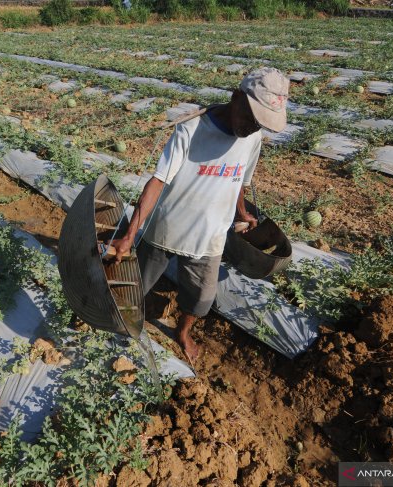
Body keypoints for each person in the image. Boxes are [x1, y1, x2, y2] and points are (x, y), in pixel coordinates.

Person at [109, 67, 290, 363]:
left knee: (200, 299)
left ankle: (183, 333)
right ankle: (120, 321)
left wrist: (242, 213)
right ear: (235, 98)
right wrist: (129, 235)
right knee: (135, 283)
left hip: (211, 236)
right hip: (166, 228)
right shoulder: (192, 128)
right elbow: (157, 181)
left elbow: (240, 182)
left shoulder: (253, 138)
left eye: (259, 124)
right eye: (249, 118)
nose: (250, 128)